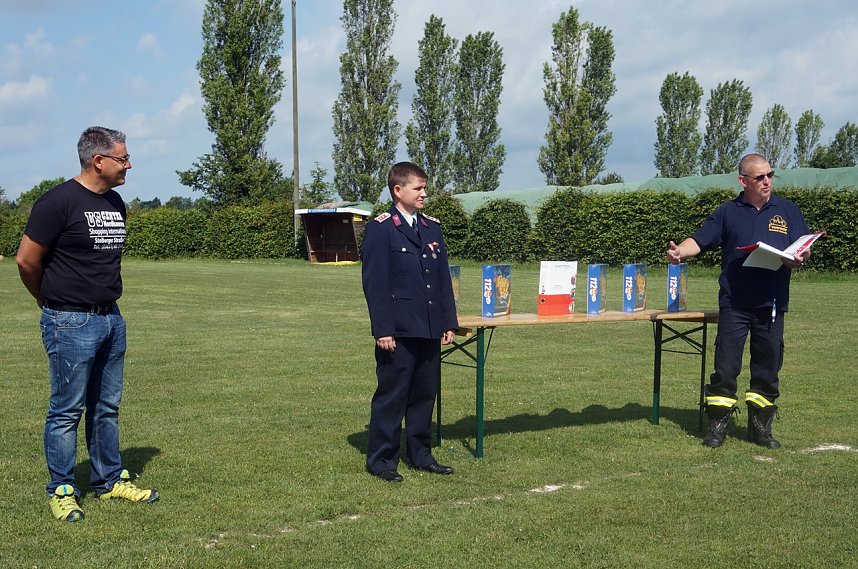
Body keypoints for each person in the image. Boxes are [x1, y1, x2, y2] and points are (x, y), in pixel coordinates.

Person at [16, 127, 159, 522]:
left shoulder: (115, 202)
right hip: (69, 321)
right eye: (123, 158)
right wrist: (47, 301)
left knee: (106, 407)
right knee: (66, 410)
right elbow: (26, 260)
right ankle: (62, 489)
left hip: (111, 318)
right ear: (98, 161)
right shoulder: (57, 202)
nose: (129, 164)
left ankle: (109, 480)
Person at [666, 153, 811, 449]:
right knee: (726, 368)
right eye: (760, 177)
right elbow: (700, 240)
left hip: (771, 304)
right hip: (735, 303)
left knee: (767, 369)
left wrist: (800, 257)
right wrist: (679, 251)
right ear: (743, 181)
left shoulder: (787, 210)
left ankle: (760, 430)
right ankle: (718, 427)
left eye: (770, 175)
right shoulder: (727, 212)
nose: (767, 181)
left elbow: (802, 246)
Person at [360, 162, 459, 482]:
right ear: (397, 190)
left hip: (428, 327)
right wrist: (383, 329)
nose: (424, 193)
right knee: (392, 396)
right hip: (398, 330)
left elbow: (442, 279)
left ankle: (421, 455)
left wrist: (448, 322)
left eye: (424, 188)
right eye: (418, 188)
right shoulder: (381, 228)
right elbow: (375, 284)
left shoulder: (431, 227)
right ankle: (382, 460)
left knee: (424, 395)